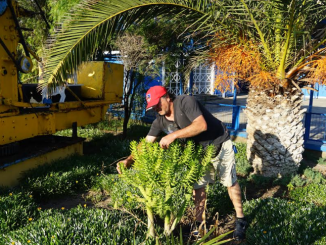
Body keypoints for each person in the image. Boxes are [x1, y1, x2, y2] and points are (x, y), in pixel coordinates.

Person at [116, 86, 247, 240]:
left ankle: (240, 220)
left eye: (158, 104)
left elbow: (201, 125)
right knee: (198, 188)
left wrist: (173, 136)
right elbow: (146, 144)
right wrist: (129, 160)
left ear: (167, 97)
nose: (156, 109)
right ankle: (200, 226)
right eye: (153, 107)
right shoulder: (160, 121)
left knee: (229, 182)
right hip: (198, 153)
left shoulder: (185, 101)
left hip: (218, 142)